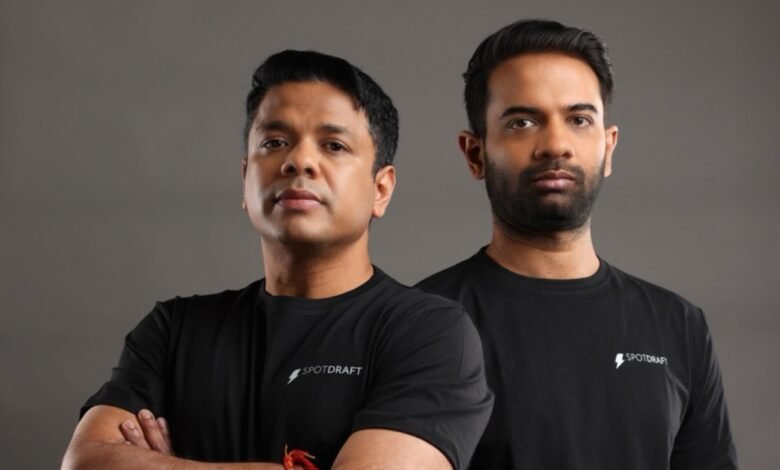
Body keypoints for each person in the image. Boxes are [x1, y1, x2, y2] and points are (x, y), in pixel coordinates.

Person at [62, 50, 493, 470]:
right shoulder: (174, 330)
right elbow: (83, 462)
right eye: (275, 142)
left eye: (334, 145)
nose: (299, 161)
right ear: (245, 178)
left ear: (380, 189)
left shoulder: (429, 334)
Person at [417, 19, 737, 469]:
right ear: (475, 153)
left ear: (609, 148)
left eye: (579, 119)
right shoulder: (416, 323)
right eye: (522, 121)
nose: (556, 144)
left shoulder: (679, 326)